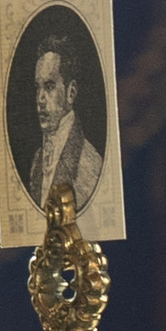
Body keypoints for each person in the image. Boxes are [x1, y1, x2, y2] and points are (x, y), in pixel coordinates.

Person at [21, 35, 104, 215]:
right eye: (37, 87)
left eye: (49, 86)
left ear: (71, 93)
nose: (40, 99)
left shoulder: (90, 165)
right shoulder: (37, 161)